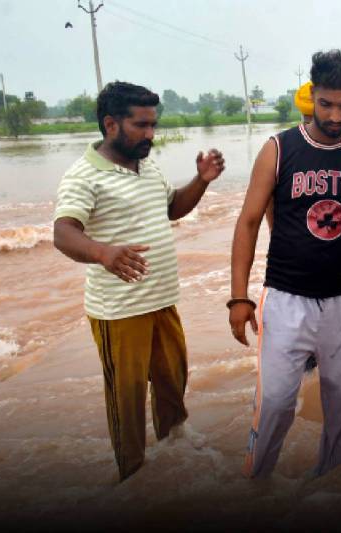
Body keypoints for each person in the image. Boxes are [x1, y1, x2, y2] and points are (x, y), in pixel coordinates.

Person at [52, 81, 225, 481]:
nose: (150, 134)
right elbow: (63, 232)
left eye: (153, 125)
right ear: (111, 124)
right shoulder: (83, 175)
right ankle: (131, 476)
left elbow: (171, 208)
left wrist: (201, 180)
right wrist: (103, 252)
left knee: (172, 381)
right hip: (119, 311)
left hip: (161, 300)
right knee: (126, 399)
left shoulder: (146, 166)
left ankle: (175, 452)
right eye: (141, 125)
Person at [230, 50, 341, 479]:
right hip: (287, 297)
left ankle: (333, 482)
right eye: (326, 104)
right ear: (313, 97)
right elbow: (248, 222)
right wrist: (238, 298)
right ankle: (256, 482)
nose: (336, 115)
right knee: (274, 401)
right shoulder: (279, 148)